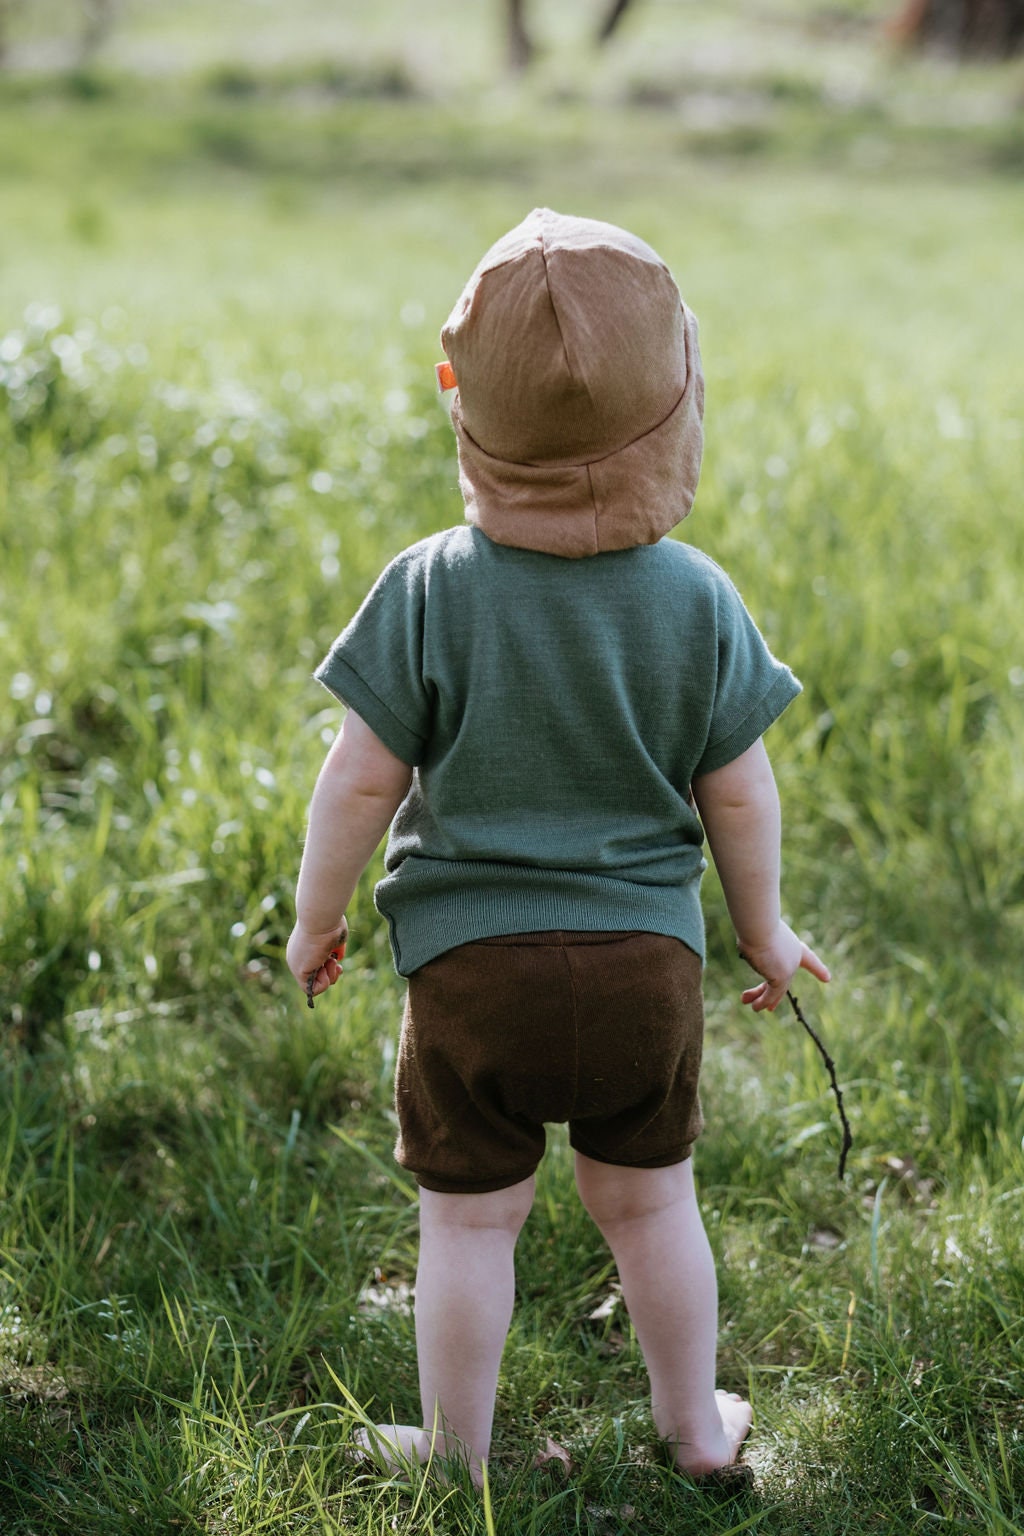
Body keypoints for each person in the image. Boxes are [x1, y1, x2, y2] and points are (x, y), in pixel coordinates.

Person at [285, 208, 830, 1488]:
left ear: (454, 393)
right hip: (646, 964)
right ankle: (695, 1428)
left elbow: (357, 782)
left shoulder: (428, 585)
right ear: (682, 392)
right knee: (651, 1205)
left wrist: (317, 920)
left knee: (469, 1225)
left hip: (474, 975)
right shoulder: (695, 596)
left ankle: (455, 1456)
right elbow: (740, 799)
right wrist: (762, 930)